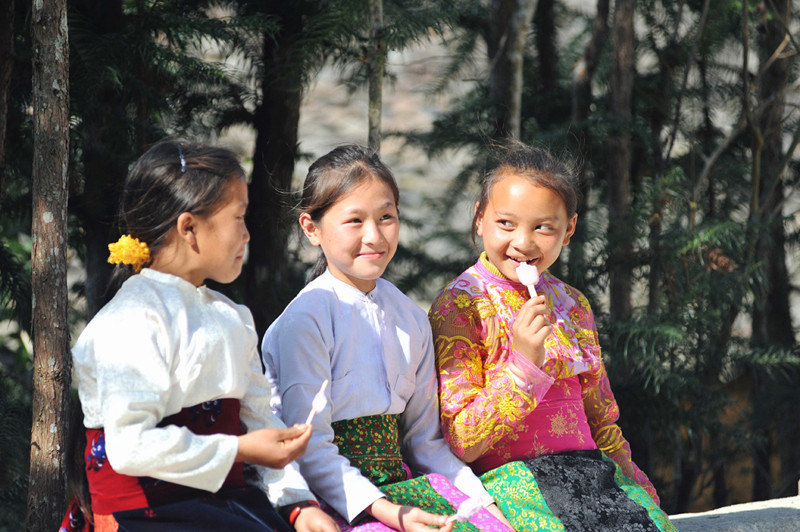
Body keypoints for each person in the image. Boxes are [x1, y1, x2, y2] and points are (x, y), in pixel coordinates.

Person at [61, 139, 339, 532]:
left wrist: (297, 504)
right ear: (189, 228)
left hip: (224, 509)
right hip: (147, 518)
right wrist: (239, 449)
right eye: (238, 218)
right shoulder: (130, 320)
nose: (246, 234)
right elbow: (128, 447)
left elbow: (261, 420)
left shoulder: (232, 317)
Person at [261, 145, 514, 532]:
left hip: (403, 489)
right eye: (354, 221)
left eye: (386, 217)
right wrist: (386, 511)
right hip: (333, 501)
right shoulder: (306, 319)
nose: (374, 236)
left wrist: (482, 502)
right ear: (311, 228)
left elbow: (425, 440)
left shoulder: (410, 317)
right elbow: (309, 446)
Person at [428, 143, 677, 532]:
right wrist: (523, 366)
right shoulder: (459, 307)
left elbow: (600, 417)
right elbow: (461, 439)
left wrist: (635, 484)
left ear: (569, 230)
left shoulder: (573, 305)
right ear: (479, 219)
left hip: (593, 477)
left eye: (543, 227)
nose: (524, 243)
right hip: (514, 485)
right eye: (506, 224)